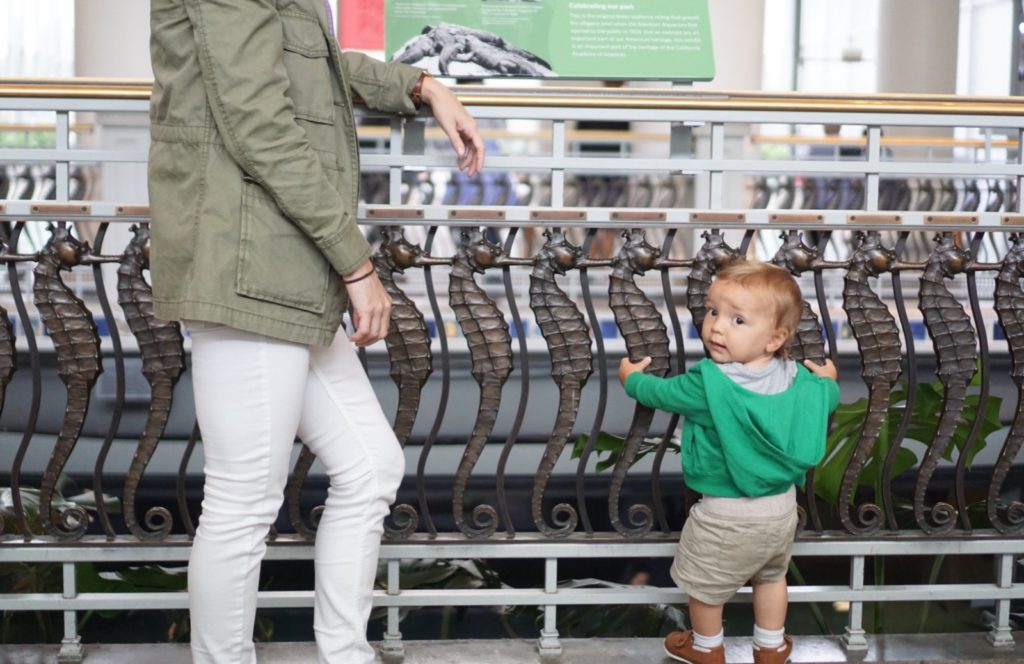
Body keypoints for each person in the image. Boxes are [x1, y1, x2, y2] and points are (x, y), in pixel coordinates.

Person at [147, 1, 484, 662]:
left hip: (285, 266)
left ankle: (344, 653)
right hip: (249, 261)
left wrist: (421, 85)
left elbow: (309, 68)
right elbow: (257, 121)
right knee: (244, 501)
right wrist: (356, 264)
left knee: (369, 466)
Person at [618, 262, 839, 664]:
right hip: (781, 511)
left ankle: (706, 649)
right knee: (771, 578)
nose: (717, 327)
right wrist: (828, 378)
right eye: (713, 311)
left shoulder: (709, 384)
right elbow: (828, 398)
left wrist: (631, 377)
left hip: (725, 514)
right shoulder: (799, 382)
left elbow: (659, 393)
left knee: (705, 589)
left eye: (738, 319)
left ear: (775, 338)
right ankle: (770, 648)